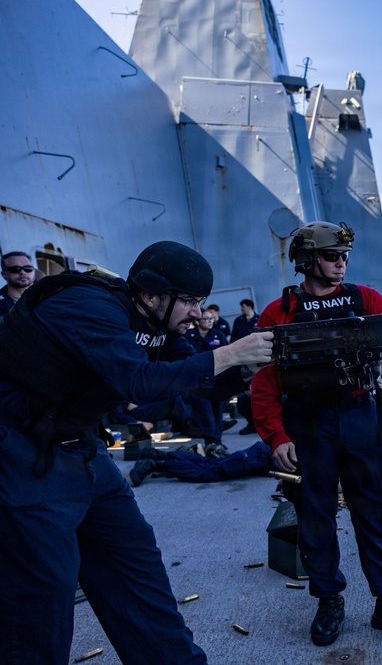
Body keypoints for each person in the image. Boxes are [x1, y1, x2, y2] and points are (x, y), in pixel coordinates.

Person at [0, 241, 273, 664]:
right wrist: (231, 352)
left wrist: (251, 368)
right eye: (190, 301)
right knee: (40, 604)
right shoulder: (86, 305)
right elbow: (139, 382)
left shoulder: (154, 323)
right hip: (22, 455)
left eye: (201, 303)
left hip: (83, 452)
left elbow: (198, 379)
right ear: (150, 295)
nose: (199, 314)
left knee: (137, 573)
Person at [251, 221, 382, 647]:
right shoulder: (278, 314)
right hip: (307, 423)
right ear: (307, 259)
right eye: (333, 256)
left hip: (360, 418)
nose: (341, 264)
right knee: (315, 519)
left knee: (376, 515)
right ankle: (329, 600)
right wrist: (276, 438)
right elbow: (263, 383)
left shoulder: (365, 299)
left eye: (344, 257)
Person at [184, 311, 236, 453]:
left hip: (216, 380)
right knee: (204, 411)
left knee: (217, 411)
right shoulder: (188, 336)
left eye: (211, 318)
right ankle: (211, 440)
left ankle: (216, 442)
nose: (209, 321)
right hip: (196, 381)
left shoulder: (218, 335)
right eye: (205, 318)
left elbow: (227, 354)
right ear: (197, 321)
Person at [129, 439, 273, 486]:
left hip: (264, 454)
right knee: (213, 471)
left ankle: (160, 456)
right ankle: (155, 464)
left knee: (212, 463)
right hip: (264, 457)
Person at [0, 251, 35, 316]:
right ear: (4, 274)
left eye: (27, 268)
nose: (23, 272)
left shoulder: (46, 298)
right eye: (15, 269)